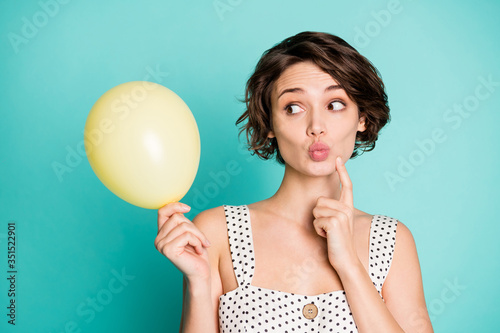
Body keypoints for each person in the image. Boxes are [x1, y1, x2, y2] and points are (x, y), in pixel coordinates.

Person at [155, 31, 433, 333]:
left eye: (335, 104)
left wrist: (349, 265)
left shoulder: (391, 240)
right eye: (293, 107)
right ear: (270, 122)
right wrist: (198, 283)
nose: (316, 127)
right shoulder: (216, 231)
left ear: (362, 118)